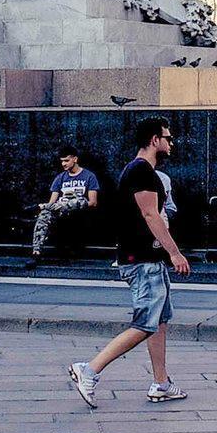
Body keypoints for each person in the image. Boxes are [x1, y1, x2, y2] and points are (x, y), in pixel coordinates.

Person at [69, 118, 192, 408]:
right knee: (144, 323)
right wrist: (174, 252)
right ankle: (89, 370)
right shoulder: (141, 172)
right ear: (154, 140)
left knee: (158, 321)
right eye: (168, 138)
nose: (171, 143)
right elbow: (151, 216)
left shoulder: (143, 172)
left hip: (149, 257)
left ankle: (161, 383)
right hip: (142, 259)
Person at [31, 146, 101, 259]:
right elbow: (52, 203)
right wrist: (47, 208)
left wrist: (72, 204)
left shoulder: (89, 176)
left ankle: (43, 206)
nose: (64, 164)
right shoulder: (60, 178)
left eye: (67, 160)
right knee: (45, 213)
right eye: (62, 161)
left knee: (75, 201)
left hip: (79, 210)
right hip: (61, 211)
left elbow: (93, 202)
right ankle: (36, 251)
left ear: (75, 159)